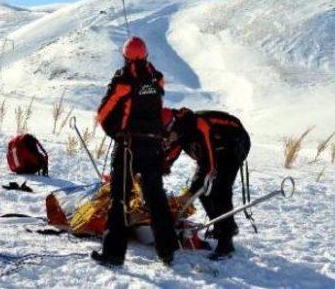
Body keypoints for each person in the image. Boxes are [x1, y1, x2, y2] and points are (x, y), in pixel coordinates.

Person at [92, 36, 178, 268]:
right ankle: (167, 251)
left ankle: (113, 253)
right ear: (147, 54)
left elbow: (103, 114)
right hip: (153, 146)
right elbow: (156, 101)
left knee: (120, 197)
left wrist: (117, 134)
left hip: (129, 147)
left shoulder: (123, 80)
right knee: (156, 198)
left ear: (125, 56)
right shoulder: (156, 77)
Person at [161, 107, 251, 259]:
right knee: (203, 191)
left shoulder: (199, 125)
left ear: (172, 126)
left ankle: (226, 245)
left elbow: (209, 165)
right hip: (216, 149)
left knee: (219, 191)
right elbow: (166, 158)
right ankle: (224, 226)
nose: (166, 140)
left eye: (166, 135)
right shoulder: (179, 133)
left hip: (234, 143)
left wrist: (189, 193)